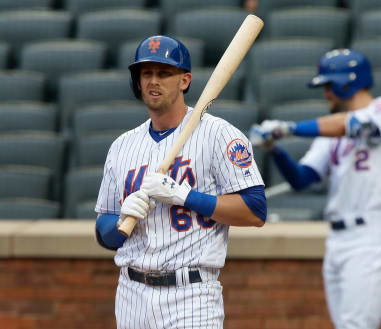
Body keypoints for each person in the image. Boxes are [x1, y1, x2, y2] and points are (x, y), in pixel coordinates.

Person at [94, 35, 267, 329]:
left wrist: (187, 196)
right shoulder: (122, 146)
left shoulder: (219, 135)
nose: (153, 81)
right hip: (130, 293)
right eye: (146, 73)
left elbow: (255, 211)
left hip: (191, 293)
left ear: (184, 81)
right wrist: (121, 220)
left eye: (164, 73)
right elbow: (104, 234)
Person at [249, 49, 381, 329]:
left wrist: (288, 128)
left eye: (328, 85)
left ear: (346, 82)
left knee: (355, 325)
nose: (326, 94)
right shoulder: (329, 132)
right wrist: (274, 149)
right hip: (336, 240)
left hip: (370, 235)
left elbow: (355, 126)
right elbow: (301, 178)